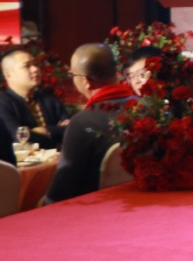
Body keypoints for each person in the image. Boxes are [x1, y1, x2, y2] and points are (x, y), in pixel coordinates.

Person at [44, 43, 136, 204]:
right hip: (143, 200)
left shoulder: (83, 122)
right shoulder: (146, 108)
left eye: (72, 74)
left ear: (86, 81)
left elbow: (62, 189)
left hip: (96, 207)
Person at [0, 47, 69, 149]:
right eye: (27, 66)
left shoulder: (50, 100)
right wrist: (57, 133)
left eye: (35, 64)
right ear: (8, 75)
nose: (35, 69)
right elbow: (19, 138)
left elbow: (72, 130)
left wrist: (46, 131)